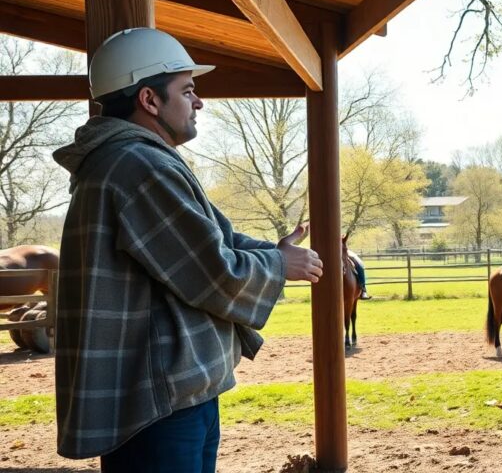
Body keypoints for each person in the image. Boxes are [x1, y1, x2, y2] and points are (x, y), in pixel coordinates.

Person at [53, 28, 324, 472]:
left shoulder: (131, 160)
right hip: (161, 400)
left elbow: (212, 236)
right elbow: (215, 270)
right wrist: (280, 264)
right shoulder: (140, 166)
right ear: (149, 100)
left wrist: (273, 252)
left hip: (164, 394)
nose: (199, 102)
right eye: (188, 90)